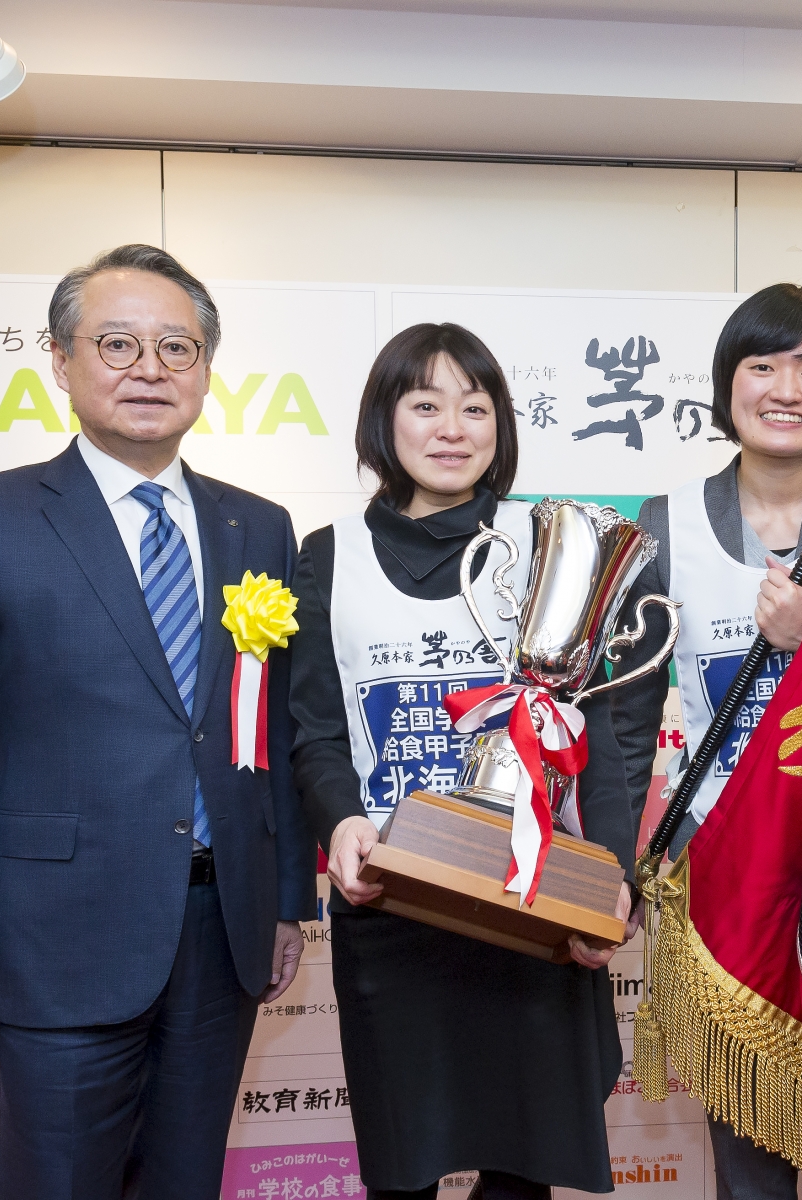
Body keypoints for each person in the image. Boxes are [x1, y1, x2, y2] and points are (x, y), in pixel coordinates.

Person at [0, 244, 315, 1199]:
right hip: (51, 946)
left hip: (222, 935)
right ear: (61, 359)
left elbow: (270, 736)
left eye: (177, 347)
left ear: (206, 368)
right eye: (118, 343)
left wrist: (288, 898)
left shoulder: (258, 526)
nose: (149, 369)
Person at [289, 322, 639, 1200]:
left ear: (501, 425)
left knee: (523, 1175)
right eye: (425, 404)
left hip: (531, 901)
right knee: (401, 1170)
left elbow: (595, 733)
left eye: (475, 408)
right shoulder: (328, 555)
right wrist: (340, 822)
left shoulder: (554, 543)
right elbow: (316, 730)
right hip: (393, 900)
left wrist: (612, 881)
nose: (452, 428)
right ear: (384, 420)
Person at [609, 283, 802, 1200]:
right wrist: (624, 861)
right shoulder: (664, 519)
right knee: (747, 1138)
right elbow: (626, 719)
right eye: (763, 365)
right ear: (727, 386)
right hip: (718, 863)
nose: (786, 389)